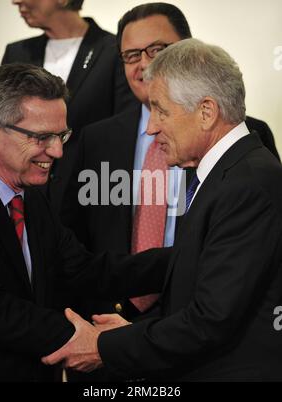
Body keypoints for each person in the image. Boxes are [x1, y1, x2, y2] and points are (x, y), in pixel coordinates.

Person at [43, 39, 282, 381]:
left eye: (161, 110)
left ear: (206, 112)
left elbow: (209, 321)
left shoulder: (248, 184)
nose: (151, 127)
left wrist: (105, 346)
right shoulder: (226, 174)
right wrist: (125, 334)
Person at [61, 1, 280, 321]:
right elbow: (73, 245)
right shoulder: (94, 140)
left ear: (188, 50)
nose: (144, 65)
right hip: (106, 330)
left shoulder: (242, 137)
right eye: (131, 56)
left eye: (157, 49)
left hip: (205, 326)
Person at [0, 63, 169, 382]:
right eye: (42, 137)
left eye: (62, 135)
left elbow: (84, 270)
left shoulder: (34, 195)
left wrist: (187, 255)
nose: (57, 151)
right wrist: (95, 342)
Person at [2, 0, 137, 214]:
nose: (16, 1)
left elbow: (124, 130)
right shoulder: (17, 52)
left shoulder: (113, 51)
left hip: (92, 198)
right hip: (25, 200)